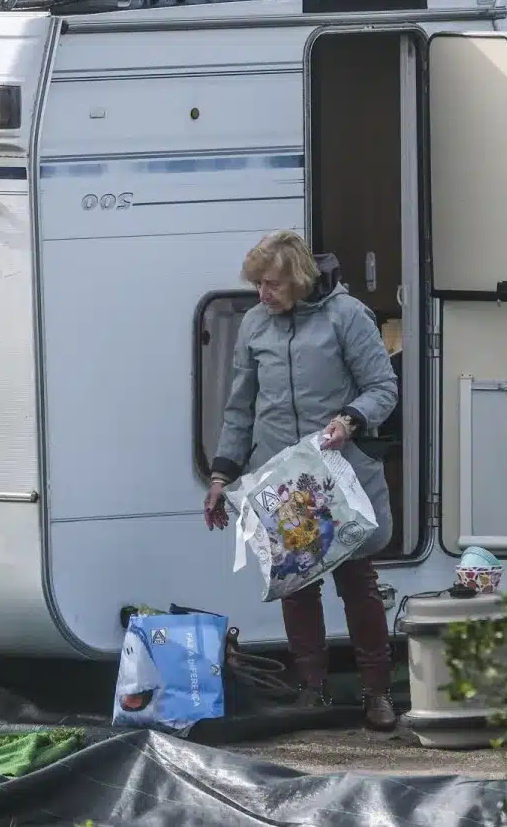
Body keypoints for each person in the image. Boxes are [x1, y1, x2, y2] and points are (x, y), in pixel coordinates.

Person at [203, 229, 401, 731]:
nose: (262, 295)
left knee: (357, 581)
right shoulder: (254, 324)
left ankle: (377, 693)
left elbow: (383, 387)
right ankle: (311, 690)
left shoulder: (347, 316)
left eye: (270, 285)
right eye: (258, 286)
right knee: (296, 584)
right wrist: (222, 474)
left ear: (297, 279)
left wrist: (350, 419)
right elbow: (239, 406)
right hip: (281, 476)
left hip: (337, 469)